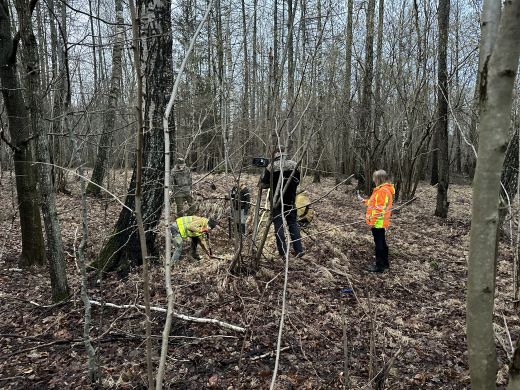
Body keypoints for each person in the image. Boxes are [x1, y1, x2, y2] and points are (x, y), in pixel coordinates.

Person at [260, 148, 304, 258]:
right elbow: (297, 181)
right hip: (290, 200)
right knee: (293, 224)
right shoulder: (295, 165)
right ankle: (299, 250)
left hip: (276, 202)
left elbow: (263, 185)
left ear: (275, 155)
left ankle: (283, 252)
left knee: (278, 226)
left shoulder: (271, 166)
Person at [361, 170, 395, 273]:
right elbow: (376, 203)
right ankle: (385, 263)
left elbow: (379, 208)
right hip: (380, 221)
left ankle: (379, 266)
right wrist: (366, 201)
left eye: (374, 178)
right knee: (382, 243)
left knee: (379, 244)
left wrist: (372, 222)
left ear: (378, 179)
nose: (373, 180)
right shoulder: (384, 189)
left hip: (378, 222)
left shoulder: (382, 191)